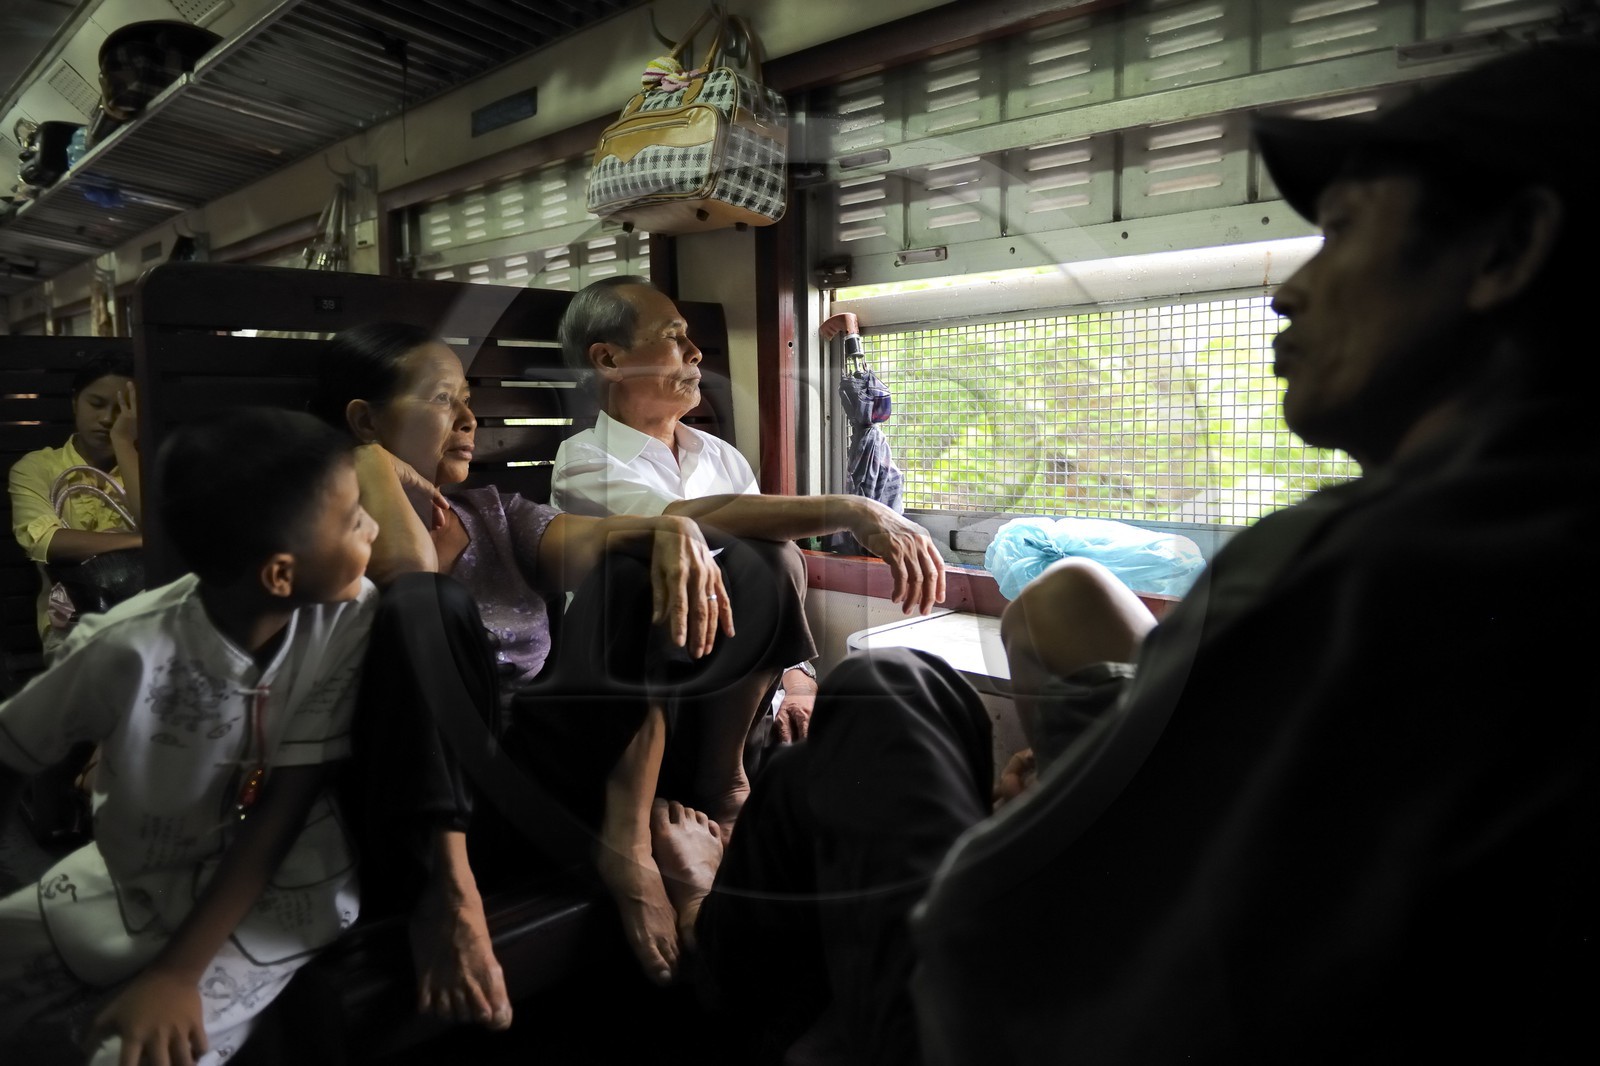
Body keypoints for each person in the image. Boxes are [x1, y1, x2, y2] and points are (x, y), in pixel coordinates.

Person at [650, 37, 1600, 1066]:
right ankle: (735, 934)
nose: (1288, 292)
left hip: (999, 1018)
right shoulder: (1522, 534)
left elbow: (988, 942)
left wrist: (1029, 830)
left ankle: (716, 953)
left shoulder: (1359, 568)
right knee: (897, 711)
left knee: (880, 691)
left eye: (1342, 231)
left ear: (1506, 252)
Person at [306, 323, 817, 1026]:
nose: (467, 419)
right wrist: (369, 464)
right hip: (435, 790)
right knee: (430, 604)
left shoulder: (493, 512)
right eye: (441, 400)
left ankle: (633, 837)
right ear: (364, 419)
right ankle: (448, 895)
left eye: (468, 400)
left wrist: (671, 530)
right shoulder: (325, 533)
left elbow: (602, 543)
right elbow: (410, 585)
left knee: (647, 568)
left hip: (543, 771)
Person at [0, 407, 379, 1066]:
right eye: (353, 519)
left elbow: (282, 809)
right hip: (136, 880)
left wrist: (177, 976)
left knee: (137, 1054)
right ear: (280, 574)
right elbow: (11, 749)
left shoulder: (346, 617)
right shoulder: (125, 648)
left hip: (282, 891)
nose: (373, 527)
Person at [552, 277, 947, 742]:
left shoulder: (718, 454)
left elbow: (768, 564)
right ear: (609, 360)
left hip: (740, 687)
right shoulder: (581, 462)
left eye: (689, 337)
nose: (694, 352)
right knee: (771, 556)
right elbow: (678, 520)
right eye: (671, 336)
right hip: (642, 694)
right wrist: (852, 508)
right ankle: (724, 782)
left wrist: (797, 678)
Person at [8, 351, 142, 660]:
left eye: (122, 409)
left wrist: (124, 443)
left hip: (144, 613)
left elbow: (160, 527)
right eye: (96, 404)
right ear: (74, 403)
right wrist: (141, 541)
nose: (108, 419)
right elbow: (45, 540)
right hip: (72, 622)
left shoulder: (145, 465)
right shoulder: (38, 467)